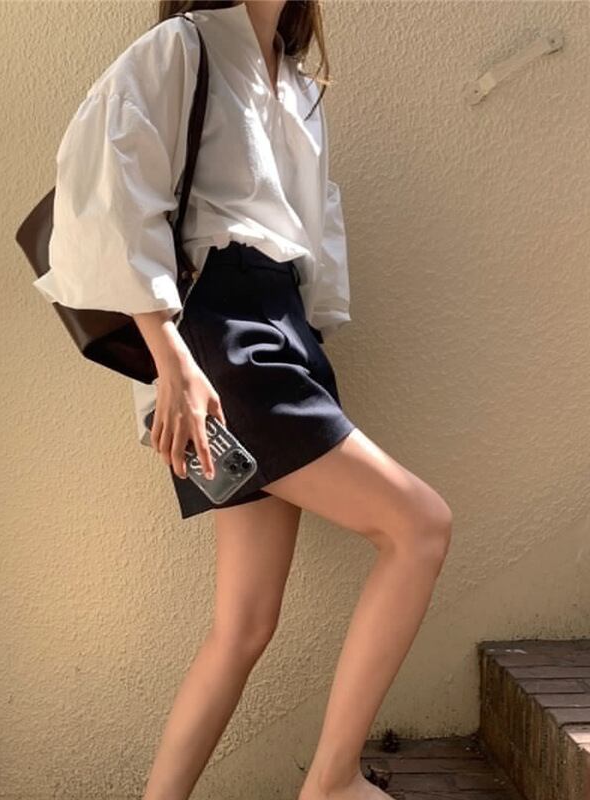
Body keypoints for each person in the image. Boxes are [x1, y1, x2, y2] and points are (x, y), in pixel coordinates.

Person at [32, 2, 453, 799]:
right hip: (220, 342)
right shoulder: (181, 47)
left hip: (281, 332)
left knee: (245, 625)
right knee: (419, 527)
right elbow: (110, 192)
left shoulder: (297, 85)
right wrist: (170, 358)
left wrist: (306, 348)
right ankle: (331, 783)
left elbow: (314, 234)